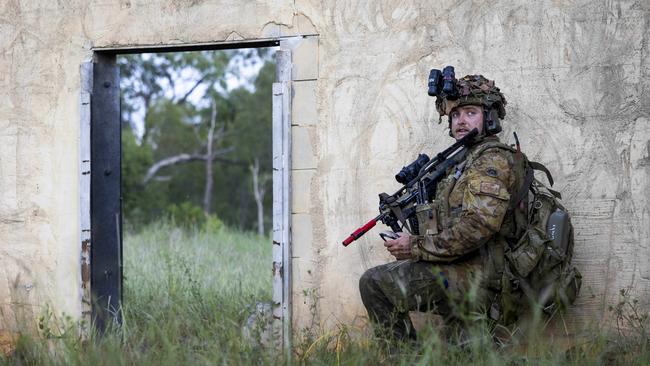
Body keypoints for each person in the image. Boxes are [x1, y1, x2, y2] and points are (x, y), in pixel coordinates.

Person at [359, 74, 523, 343]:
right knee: (465, 354)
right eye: (456, 114)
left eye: (471, 112)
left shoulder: (492, 160)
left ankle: (402, 361)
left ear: (490, 118)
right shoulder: (463, 162)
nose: (461, 120)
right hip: (464, 269)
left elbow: (476, 228)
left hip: (482, 277)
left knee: (374, 283)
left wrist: (414, 246)